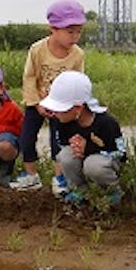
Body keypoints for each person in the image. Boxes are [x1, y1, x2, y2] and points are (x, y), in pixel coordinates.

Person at [11, 0, 87, 195]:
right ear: (53, 28)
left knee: (59, 140)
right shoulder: (37, 50)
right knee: (27, 138)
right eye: (70, 31)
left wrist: (71, 106)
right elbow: (29, 77)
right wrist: (36, 104)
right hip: (37, 100)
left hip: (62, 105)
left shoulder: (77, 55)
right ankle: (31, 175)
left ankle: (59, 177)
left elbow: (78, 81)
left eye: (78, 31)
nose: (75, 37)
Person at [38, 71, 125, 205]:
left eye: (59, 108)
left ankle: (112, 191)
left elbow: (120, 153)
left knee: (93, 165)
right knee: (65, 156)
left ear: (78, 109)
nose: (54, 112)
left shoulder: (106, 123)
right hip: (84, 158)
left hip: (104, 160)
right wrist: (74, 145)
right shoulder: (62, 121)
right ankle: (79, 191)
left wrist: (88, 148)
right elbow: (62, 144)